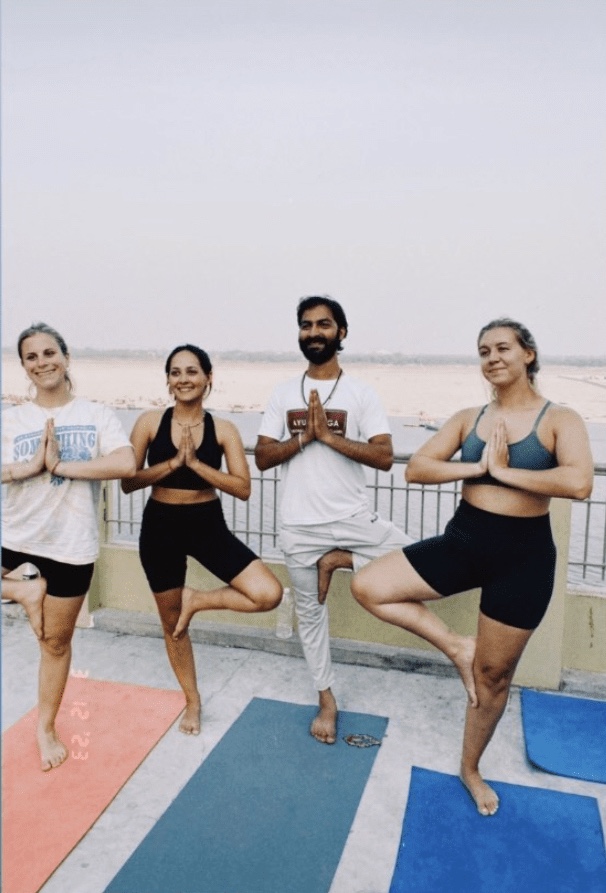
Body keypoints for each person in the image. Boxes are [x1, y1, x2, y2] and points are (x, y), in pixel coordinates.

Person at [350, 318, 594, 815]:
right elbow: (418, 467)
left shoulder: (558, 418)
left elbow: (579, 482)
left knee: (495, 675)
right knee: (370, 585)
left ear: (528, 354)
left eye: (502, 347)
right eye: (483, 351)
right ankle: (455, 646)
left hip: (523, 558)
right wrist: (480, 467)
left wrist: (510, 471)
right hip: (463, 542)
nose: (492, 358)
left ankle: (470, 768)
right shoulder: (469, 417)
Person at [254, 295, 417, 745]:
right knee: (310, 615)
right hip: (298, 525)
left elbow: (384, 457)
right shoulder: (283, 393)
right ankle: (327, 698)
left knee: (419, 560)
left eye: (323, 324)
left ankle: (339, 559)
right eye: (306, 326)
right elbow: (264, 457)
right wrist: (306, 436)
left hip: (352, 518)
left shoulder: (361, 393)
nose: (314, 333)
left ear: (341, 332)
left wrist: (329, 436)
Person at [122, 344, 282, 735]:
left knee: (268, 593)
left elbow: (243, 488)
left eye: (192, 371)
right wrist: (172, 464)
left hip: (206, 523)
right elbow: (127, 481)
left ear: (209, 378)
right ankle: (192, 701)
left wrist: (195, 465)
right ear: (167, 381)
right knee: (171, 623)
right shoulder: (148, 423)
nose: (183, 379)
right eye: (175, 373)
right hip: (160, 525)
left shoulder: (223, 429)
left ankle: (199, 599)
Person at [1, 322, 136, 771]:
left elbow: (126, 462)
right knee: (46, 632)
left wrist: (64, 466)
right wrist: (31, 467)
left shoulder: (95, 414)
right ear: (24, 366)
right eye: (31, 357)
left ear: (66, 355)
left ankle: (45, 727)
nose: (42, 362)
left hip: (71, 546)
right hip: (16, 537)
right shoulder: (13, 419)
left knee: (54, 644)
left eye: (48, 352)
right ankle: (21, 588)